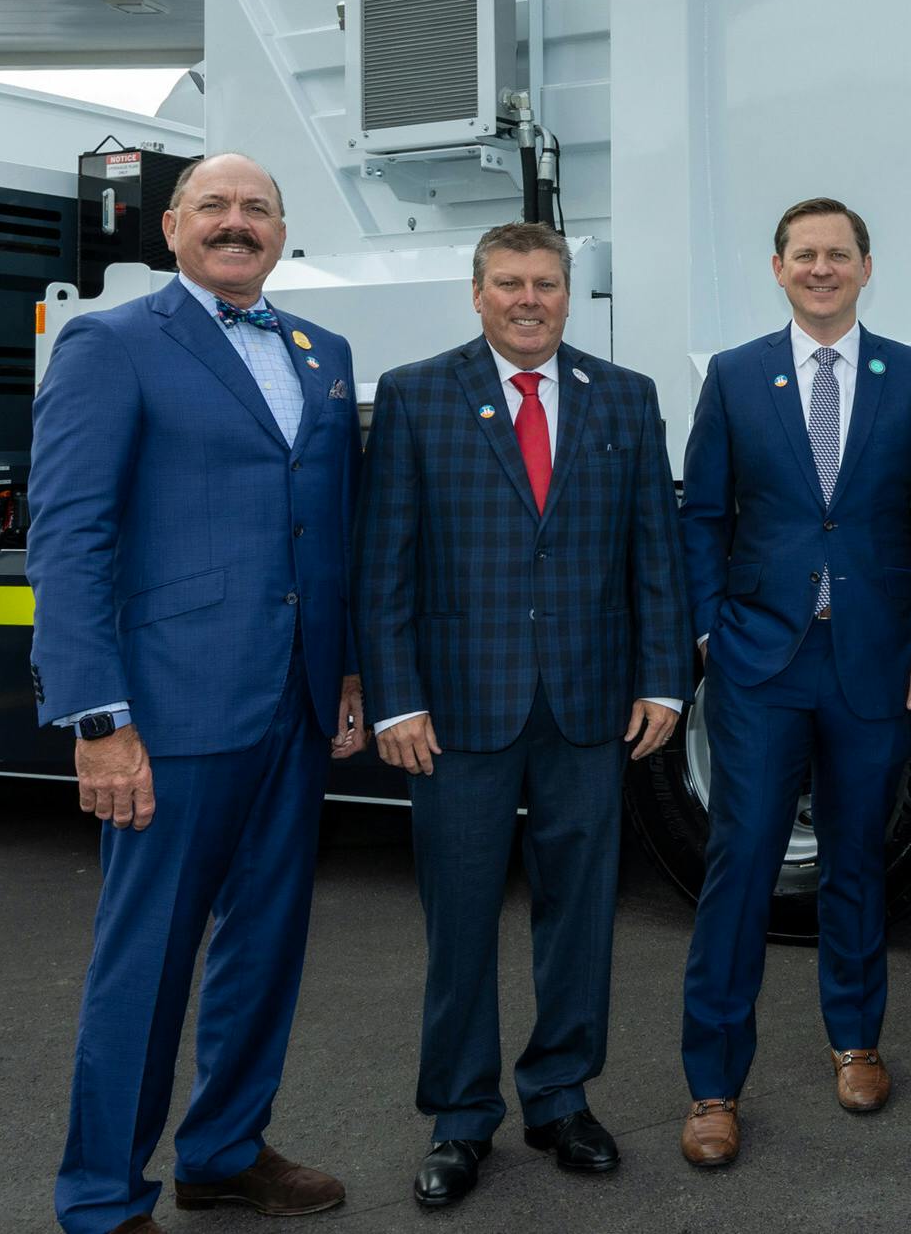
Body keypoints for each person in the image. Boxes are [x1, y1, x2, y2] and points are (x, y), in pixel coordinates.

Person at [32, 153, 367, 1234]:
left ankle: (223, 1150)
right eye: (213, 207)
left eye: (256, 209)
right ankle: (99, 1194)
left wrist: (349, 670)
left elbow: (332, 534)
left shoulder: (322, 352)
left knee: (266, 944)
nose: (236, 223)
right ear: (169, 227)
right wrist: (98, 718)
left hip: (296, 701)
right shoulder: (112, 344)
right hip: (171, 709)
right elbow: (69, 538)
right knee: (148, 958)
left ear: (281, 232)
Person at [356, 222, 693, 1208]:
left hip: (589, 707)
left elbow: (655, 557)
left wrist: (664, 682)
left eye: (547, 283)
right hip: (456, 711)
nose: (530, 299)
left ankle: (559, 1097)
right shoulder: (419, 396)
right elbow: (384, 565)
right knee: (458, 919)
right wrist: (397, 699)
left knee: (581, 915)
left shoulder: (623, 398)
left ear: (568, 293)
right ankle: (460, 1118)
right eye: (510, 283)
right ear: (477, 292)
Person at [675, 197, 911, 1166]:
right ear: (778, 267)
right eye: (806, 255)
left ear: (866, 267)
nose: (822, 269)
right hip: (762, 663)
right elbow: (703, 512)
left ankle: (857, 1040)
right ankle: (714, 1085)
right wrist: (711, 626)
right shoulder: (736, 375)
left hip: (875, 662)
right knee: (742, 863)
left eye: (839, 255)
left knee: (856, 860)